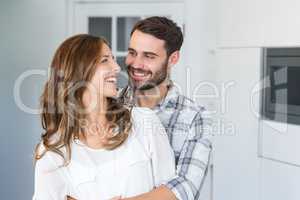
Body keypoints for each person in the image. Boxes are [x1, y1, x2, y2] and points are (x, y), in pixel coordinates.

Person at [33, 34, 176, 200]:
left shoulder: (143, 121)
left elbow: (172, 192)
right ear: (79, 70)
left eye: (113, 59)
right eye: (104, 60)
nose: (116, 67)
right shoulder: (54, 152)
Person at [118, 16, 212, 200]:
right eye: (132, 52)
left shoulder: (195, 116)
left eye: (149, 56)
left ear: (173, 58)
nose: (136, 64)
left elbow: (185, 187)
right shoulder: (109, 102)